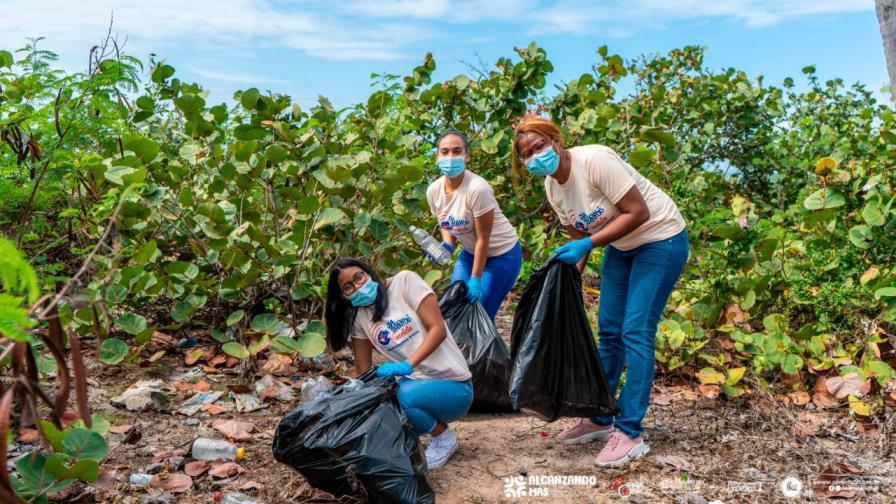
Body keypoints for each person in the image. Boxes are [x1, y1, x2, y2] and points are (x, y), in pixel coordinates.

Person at [513, 115, 688, 468]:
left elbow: (638, 212)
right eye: (527, 154)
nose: (535, 156)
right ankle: (599, 415)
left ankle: (629, 431)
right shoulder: (552, 187)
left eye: (540, 146)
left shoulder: (595, 161)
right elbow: (580, 238)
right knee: (608, 331)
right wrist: (568, 282)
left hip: (660, 239)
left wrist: (589, 243)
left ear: (556, 141)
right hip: (621, 248)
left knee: (635, 331)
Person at [324, 258, 473, 470]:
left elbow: (437, 329)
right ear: (343, 296)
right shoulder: (361, 319)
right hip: (417, 383)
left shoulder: (404, 282)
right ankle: (415, 438)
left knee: (400, 400)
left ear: (367, 272)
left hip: (454, 385)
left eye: (359, 277)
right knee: (380, 401)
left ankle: (443, 438)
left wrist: (407, 365)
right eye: (348, 286)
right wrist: (342, 399)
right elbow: (363, 371)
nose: (358, 286)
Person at [425, 130, 523, 321]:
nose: (450, 157)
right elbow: (446, 221)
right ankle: (462, 351)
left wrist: (476, 278)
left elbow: (483, 238)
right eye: (444, 152)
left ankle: (490, 352)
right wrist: (447, 245)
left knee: (479, 316)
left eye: (457, 151)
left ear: (466, 156)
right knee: (453, 309)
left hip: (502, 255)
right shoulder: (434, 191)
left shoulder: (478, 189)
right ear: (437, 157)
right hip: (470, 254)